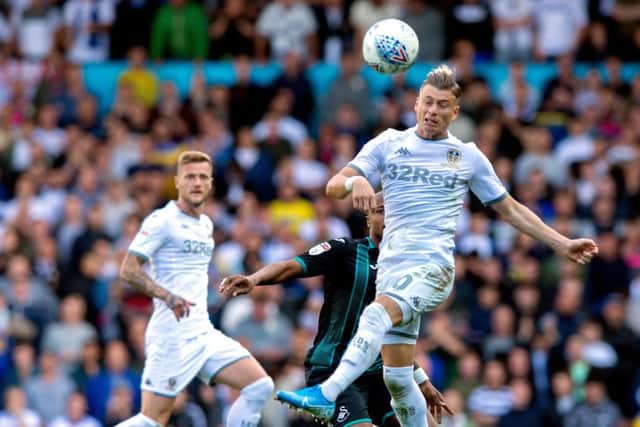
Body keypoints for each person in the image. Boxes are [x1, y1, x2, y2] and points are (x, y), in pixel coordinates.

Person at [276, 64, 599, 426]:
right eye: (427, 102)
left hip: (432, 268)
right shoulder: (388, 143)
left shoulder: (467, 156)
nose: (433, 110)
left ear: (454, 112)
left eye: (442, 105)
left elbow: (510, 209)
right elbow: (334, 185)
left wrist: (563, 243)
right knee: (397, 378)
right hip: (393, 271)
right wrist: (358, 183)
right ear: (416, 104)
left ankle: (327, 393)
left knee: (374, 315)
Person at [219, 193, 451, 427]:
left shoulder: (406, 270)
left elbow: (397, 334)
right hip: (333, 369)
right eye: (381, 210)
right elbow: (292, 265)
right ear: (369, 218)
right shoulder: (345, 251)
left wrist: (421, 380)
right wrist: (254, 279)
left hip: (378, 374)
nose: (388, 217)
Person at [115, 151, 274, 427]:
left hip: (202, 331)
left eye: (202, 177)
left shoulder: (206, 225)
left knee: (259, 386)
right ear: (177, 182)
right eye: (190, 177)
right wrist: (166, 295)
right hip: (172, 335)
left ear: (211, 183)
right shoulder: (162, 220)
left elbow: (190, 273)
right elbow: (128, 269)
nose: (197, 183)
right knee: (152, 421)